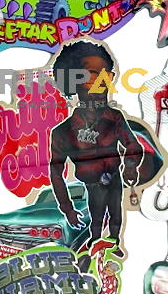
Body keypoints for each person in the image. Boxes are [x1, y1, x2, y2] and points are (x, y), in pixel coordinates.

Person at [48, 41, 143, 251]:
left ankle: (114, 245)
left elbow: (132, 145)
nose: (101, 82)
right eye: (92, 75)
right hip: (92, 185)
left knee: (116, 216)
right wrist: (67, 208)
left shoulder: (115, 118)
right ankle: (96, 245)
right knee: (97, 218)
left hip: (115, 179)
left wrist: (130, 164)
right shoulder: (63, 132)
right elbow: (56, 172)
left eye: (106, 75)